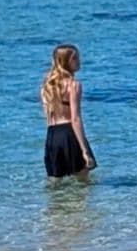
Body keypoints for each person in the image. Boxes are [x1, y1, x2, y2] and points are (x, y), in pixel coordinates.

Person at [42, 43, 98, 179]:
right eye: (75, 58)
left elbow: (48, 116)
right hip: (69, 135)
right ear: (65, 62)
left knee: (56, 187)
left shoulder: (47, 86)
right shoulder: (73, 85)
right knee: (83, 184)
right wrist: (84, 150)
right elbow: (75, 119)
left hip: (52, 136)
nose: (79, 61)